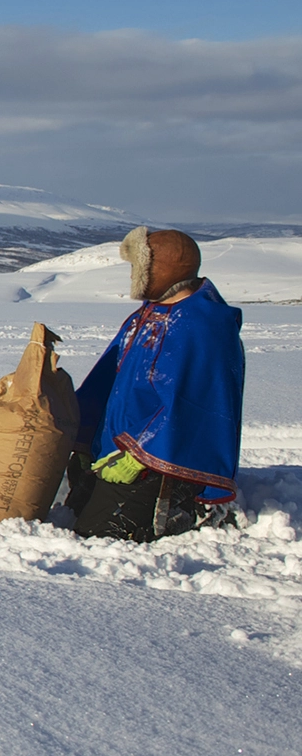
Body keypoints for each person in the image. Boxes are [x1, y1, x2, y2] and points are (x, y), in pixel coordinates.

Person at [65, 227, 244, 542]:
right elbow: (109, 378)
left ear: (161, 270)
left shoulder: (201, 328)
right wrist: (83, 432)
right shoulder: (149, 315)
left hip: (161, 463)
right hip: (115, 451)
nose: (133, 275)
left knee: (100, 536)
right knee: (75, 511)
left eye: (138, 268)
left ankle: (191, 510)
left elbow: (194, 408)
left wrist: (138, 455)